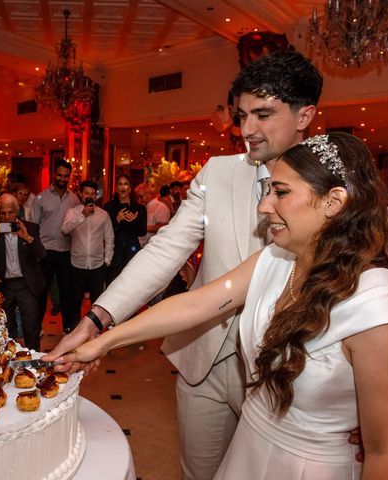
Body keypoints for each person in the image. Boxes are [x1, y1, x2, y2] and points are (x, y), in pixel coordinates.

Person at [59, 133, 388, 479]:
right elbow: (195, 304)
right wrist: (99, 340)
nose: (263, 206)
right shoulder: (274, 259)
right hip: (248, 447)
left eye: (281, 193)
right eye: (268, 190)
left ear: (333, 201)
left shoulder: (376, 308)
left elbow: (387, 453)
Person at [44, 49, 324, 479]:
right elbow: (166, 249)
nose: (246, 129)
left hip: (284, 370)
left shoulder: (333, 186)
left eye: (263, 114)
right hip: (205, 361)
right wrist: (96, 320)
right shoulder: (217, 172)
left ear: (304, 115)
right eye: (241, 114)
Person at [0, 194, 46, 351]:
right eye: (3, 213)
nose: (7, 217)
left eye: (11, 213)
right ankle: (9, 361)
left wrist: (27, 237)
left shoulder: (31, 228)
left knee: (31, 328)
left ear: (18, 211)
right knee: (7, 327)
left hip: (27, 285)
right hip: (5, 285)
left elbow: (42, 255)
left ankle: (33, 361)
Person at [32, 159, 80, 333]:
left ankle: (68, 328)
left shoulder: (74, 199)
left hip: (66, 252)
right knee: (41, 293)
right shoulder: (40, 198)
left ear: (69, 177)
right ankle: (36, 328)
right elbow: (33, 226)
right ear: (54, 174)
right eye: (59, 175)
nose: (62, 178)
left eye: (66, 176)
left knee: (67, 293)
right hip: (45, 252)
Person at [62, 180, 114, 321]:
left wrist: (107, 261)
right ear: (81, 194)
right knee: (75, 300)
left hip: (98, 265)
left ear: (96, 196)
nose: (89, 196)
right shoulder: (72, 212)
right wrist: (82, 215)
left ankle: (95, 331)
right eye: (86, 193)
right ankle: (74, 330)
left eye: (93, 194)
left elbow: (109, 238)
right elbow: (65, 229)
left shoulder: (103, 215)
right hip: (77, 264)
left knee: (97, 302)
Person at [104, 174, 146, 286]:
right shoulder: (108, 207)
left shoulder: (140, 208)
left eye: (126, 184)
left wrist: (134, 221)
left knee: (131, 287)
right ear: (116, 188)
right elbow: (105, 231)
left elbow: (142, 232)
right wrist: (117, 219)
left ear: (130, 188)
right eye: (120, 184)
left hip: (132, 253)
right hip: (114, 254)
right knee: (112, 287)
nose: (123, 187)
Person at [138, 184, 171, 248]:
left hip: (153, 248)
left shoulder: (161, 207)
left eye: (141, 197)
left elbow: (163, 227)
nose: (139, 200)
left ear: (149, 194)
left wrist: (142, 227)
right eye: (137, 197)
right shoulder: (145, 207)